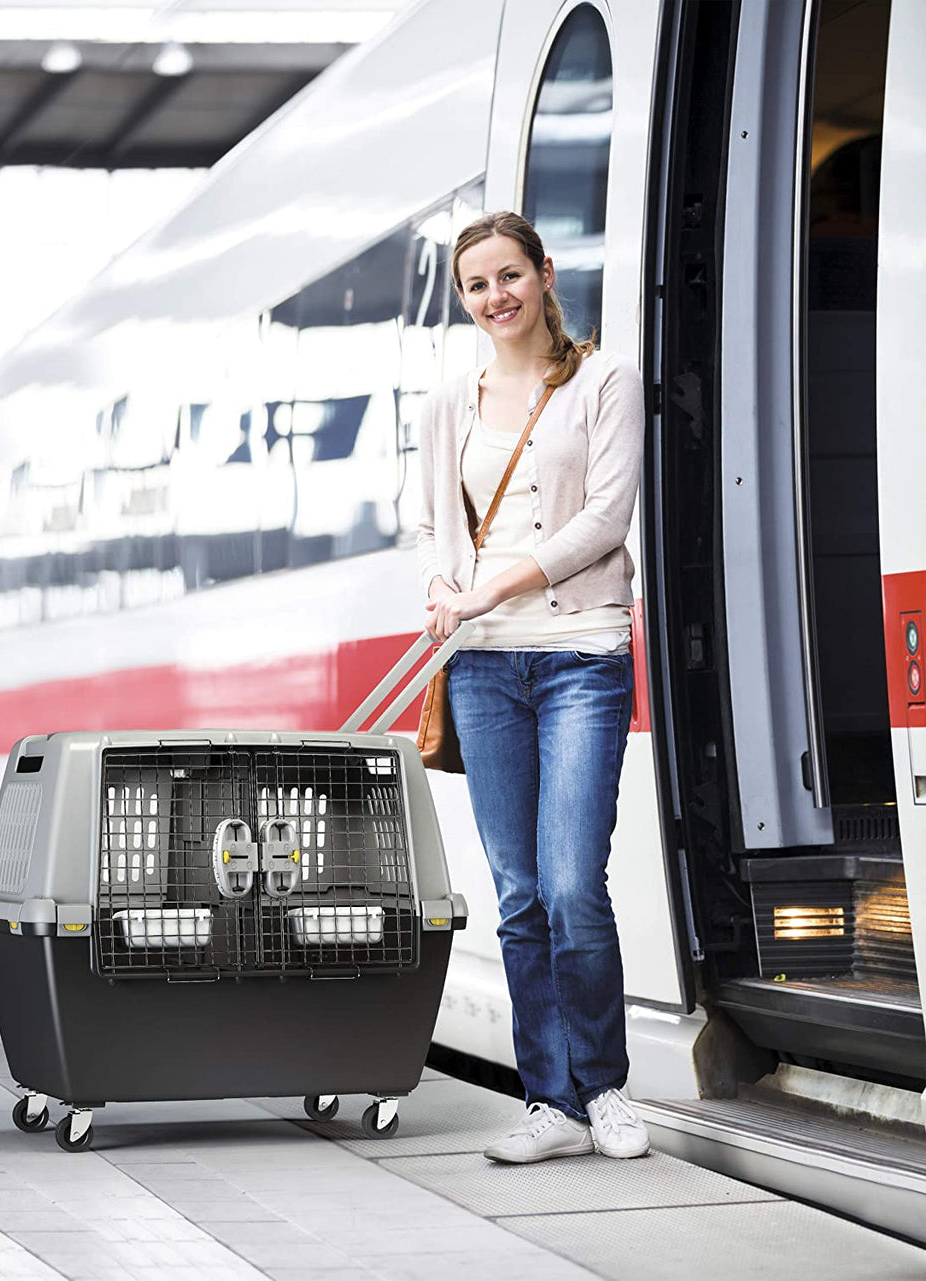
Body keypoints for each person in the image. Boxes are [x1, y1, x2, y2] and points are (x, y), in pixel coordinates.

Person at [415, 211, 649, 1163]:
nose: (495, 297)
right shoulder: (448, 402)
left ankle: (606, 1087)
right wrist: (444, 587)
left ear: (546, 274)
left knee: (571, 883)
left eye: (509, 275)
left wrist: (492, 587)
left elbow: (606, 518)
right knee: (518, 894)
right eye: (476, 285)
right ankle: (551, 1103)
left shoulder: (604, 380)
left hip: (581, 653)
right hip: (482, 665)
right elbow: (431, 523)